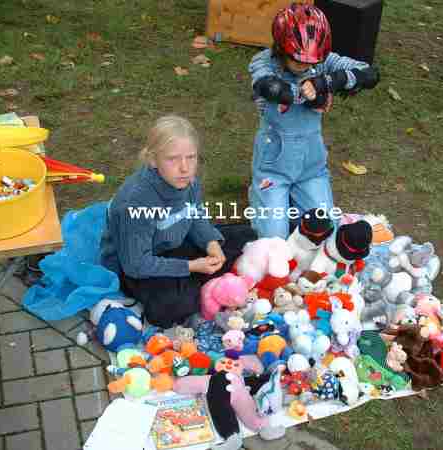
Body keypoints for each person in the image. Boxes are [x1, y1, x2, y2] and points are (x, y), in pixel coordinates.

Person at [100, 115, 256, 329]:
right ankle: (205, 285)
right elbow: (136, 264)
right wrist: (192, 266)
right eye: (173, 159)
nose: (184, 168)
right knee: (168, 308)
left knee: (248, 236)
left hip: (173, 244)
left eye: (191, 157)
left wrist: (211, 244)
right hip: (139, 265)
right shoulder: (135, 203)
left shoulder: (187, 180)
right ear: (153, 160)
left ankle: (200, 283)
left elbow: (195, 215)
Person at [248, 2, 379, 239]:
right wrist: (307, 95)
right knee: (274, 243)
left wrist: (323, 83)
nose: (308, 66)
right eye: (299, 61)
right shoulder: (264, 62)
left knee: (326, 232)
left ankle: (295, 197)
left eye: (312, 61)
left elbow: (369, 74)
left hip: (311, 166)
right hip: (273, 168)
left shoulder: (321, 61)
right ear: (281, 48)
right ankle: (262, 196)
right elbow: (270, 88)